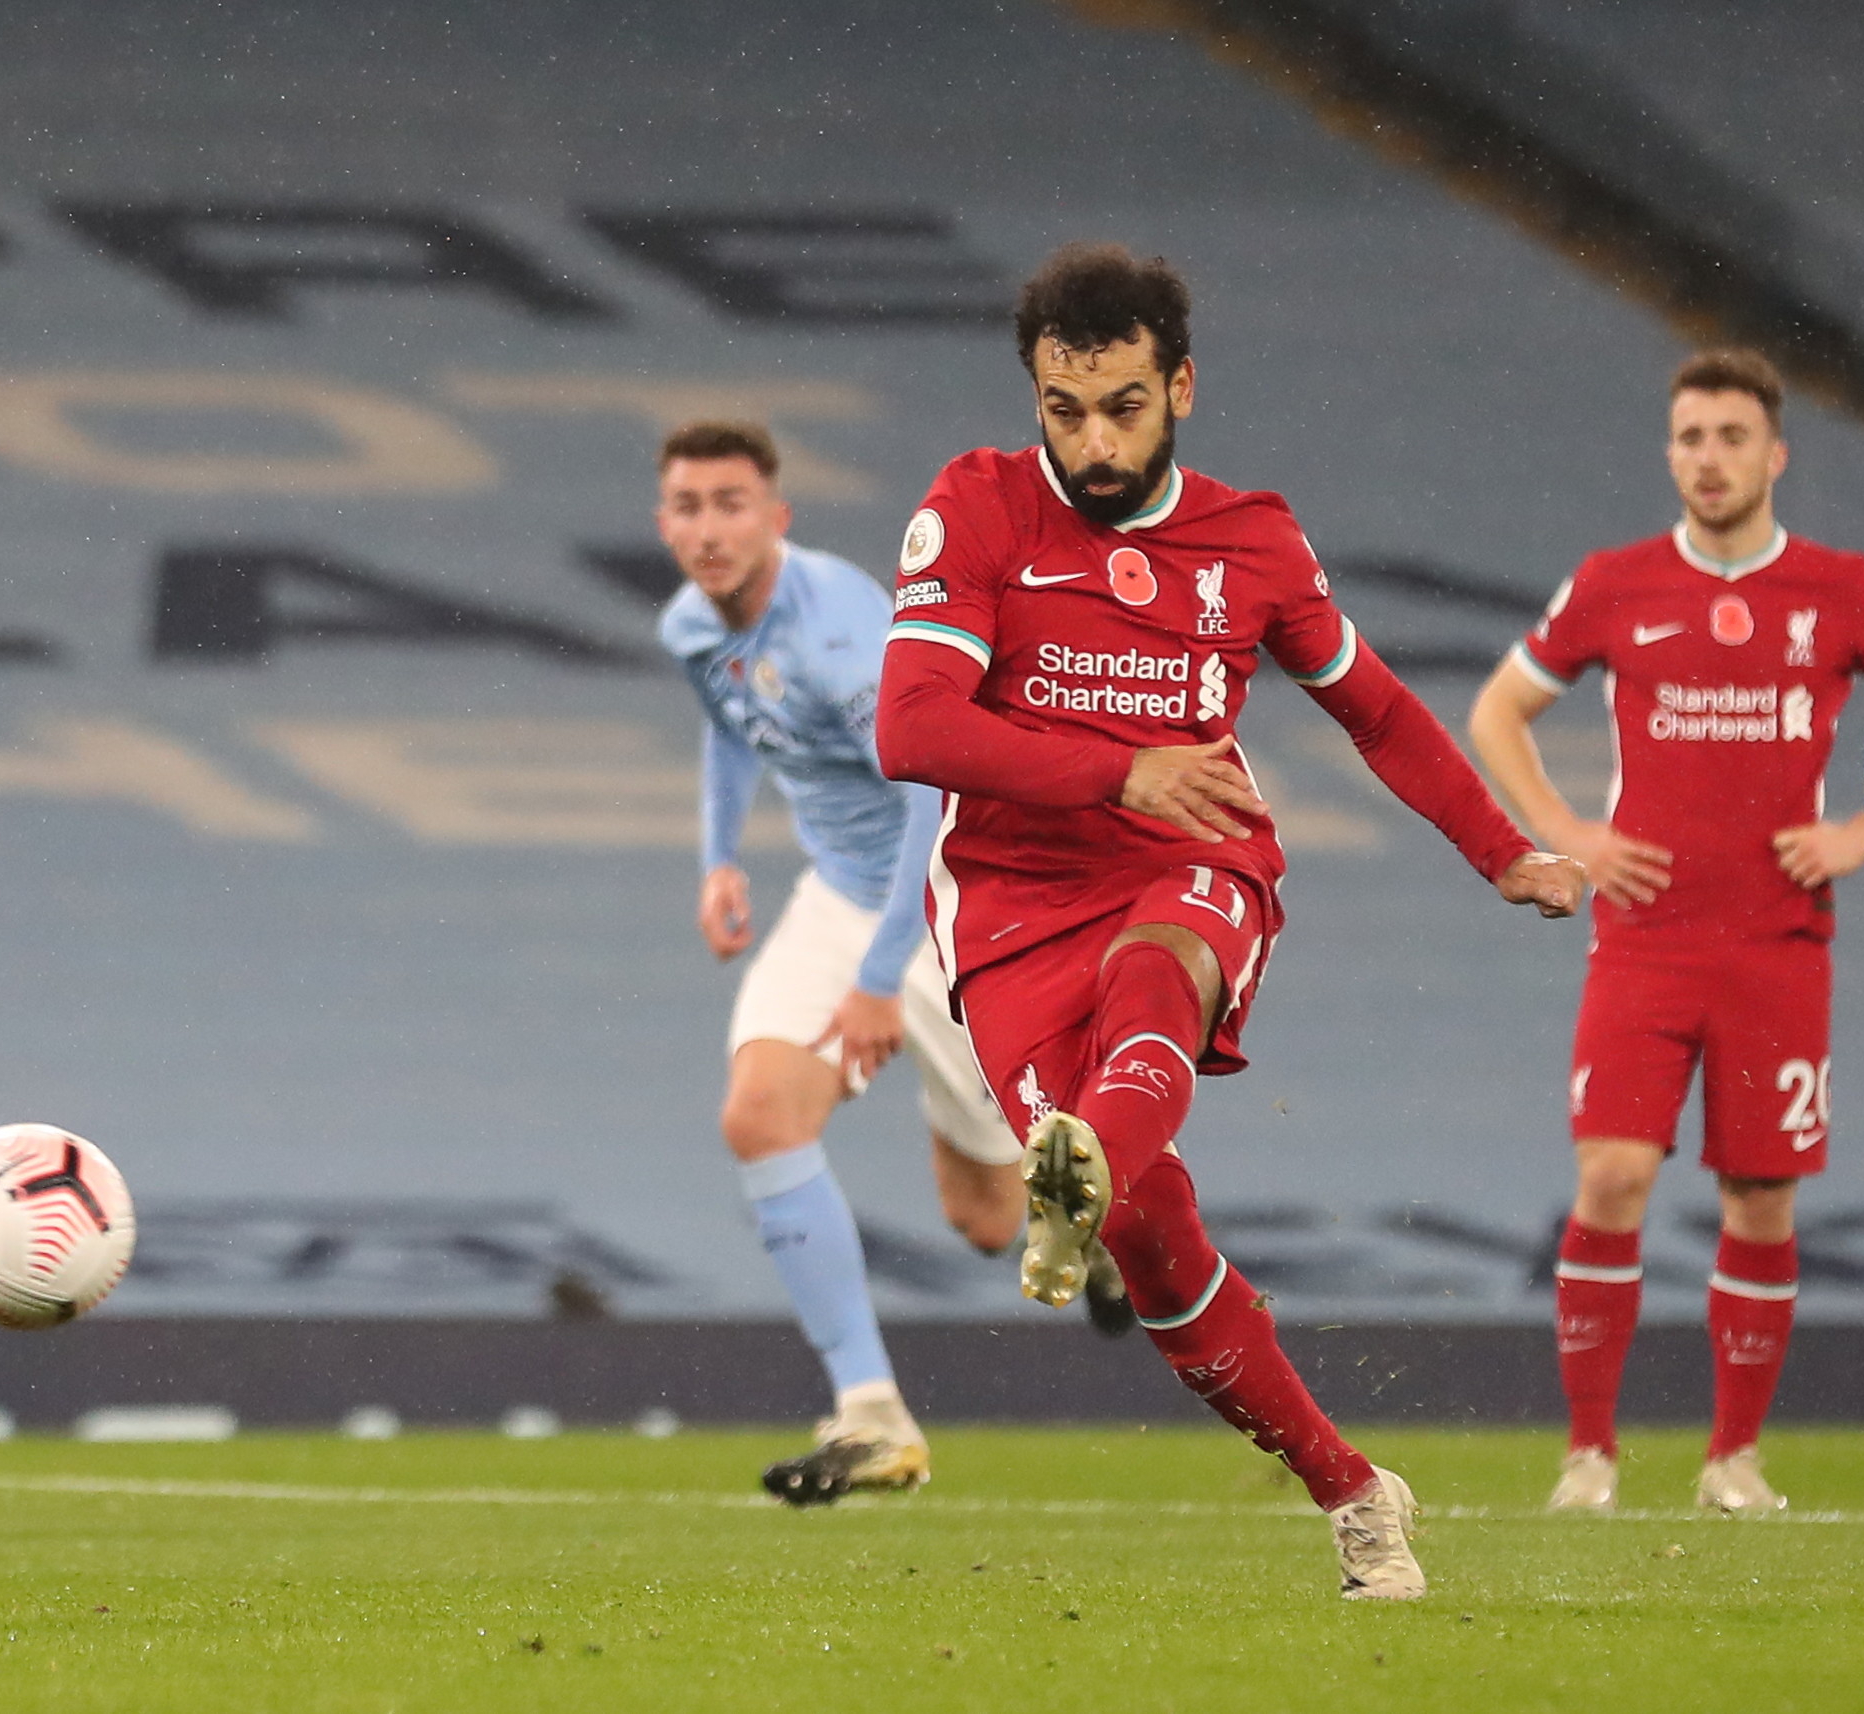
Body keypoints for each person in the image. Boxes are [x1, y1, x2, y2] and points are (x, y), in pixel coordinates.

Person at [876, 242, 1585, 1601]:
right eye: (1062, 407)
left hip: (1192, 858)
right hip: (1013, 908)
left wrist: (1497, 851)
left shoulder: (1249, 539)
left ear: (1180, 387)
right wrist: (1114, 765)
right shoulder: (972, 509)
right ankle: (1351, 1489)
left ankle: (1079, 1162)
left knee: (1165, 960)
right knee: (1148, 1238)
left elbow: (1373, 706)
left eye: (1122, 406)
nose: (1089, 440)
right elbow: (911, 727)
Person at [1466, 349, 1864, 1516]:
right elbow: (1496, 708)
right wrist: (1567, 830)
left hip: (1776, 943)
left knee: (1759, 1194)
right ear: (1668, 453)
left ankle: (1731, 1459)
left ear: (1773, 455)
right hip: (1645, 937)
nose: (1706, 458)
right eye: (1688, 437)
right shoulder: (1616, 584)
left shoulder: (1842, 587)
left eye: (1728, 436)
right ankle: (1589, 1453)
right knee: (1610, 1174)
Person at [655, 420, 1103, 1510]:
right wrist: (718, 857)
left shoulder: (842, 639)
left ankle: (1111, 1229)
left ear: (776, 517)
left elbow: (929, 793)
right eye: (685, 505)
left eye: (729, 503)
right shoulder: (687, 623)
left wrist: (881, 975)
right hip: (844, 897)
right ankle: (872, 1415)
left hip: (953, 894)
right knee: (759, 1115)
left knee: (989, 1220)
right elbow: (728, 721)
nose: (706, 529)